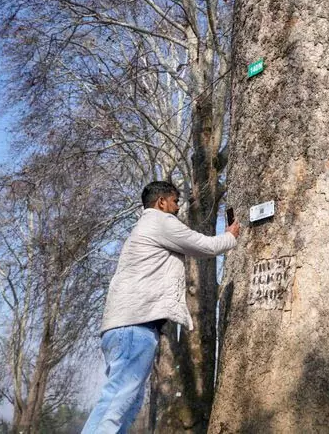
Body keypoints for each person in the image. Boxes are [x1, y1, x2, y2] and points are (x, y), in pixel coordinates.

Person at [82, 181, 240, 433]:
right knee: (118, 400)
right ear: (161, 202)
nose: (177, 208)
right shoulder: (159, 221)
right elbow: (204, 247)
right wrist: (231, 235)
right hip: (134, 327)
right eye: (175, 201)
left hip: (124, 329)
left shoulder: (143, 228)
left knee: (128, 404)